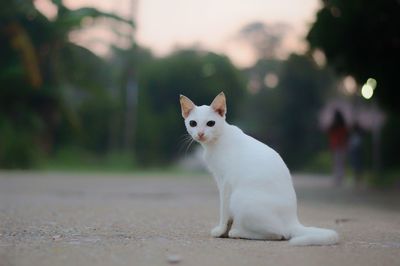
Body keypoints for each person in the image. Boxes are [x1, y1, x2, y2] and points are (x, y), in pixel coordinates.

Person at [328, 110, 349, 186]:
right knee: (341, 163)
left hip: (336, 146)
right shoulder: (343, 126)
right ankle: (340, 178)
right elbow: (346, 136)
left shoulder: (333, 126)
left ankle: (337, 179)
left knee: (337, 163)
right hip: (341, 146)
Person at [348, 123, 364, 187]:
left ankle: (357, 178)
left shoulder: (355, 135)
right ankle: (357, 178)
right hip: (357, 150)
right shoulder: (356, 135)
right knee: (357, 164)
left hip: (356, 151)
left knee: (356, 164)